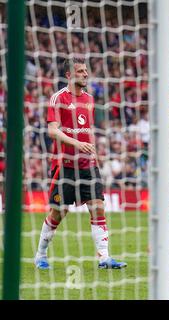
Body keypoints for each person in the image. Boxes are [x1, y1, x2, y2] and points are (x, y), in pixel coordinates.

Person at [35, 58, 126, 270]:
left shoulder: (90, 100)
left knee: (98, 207)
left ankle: (104, 257)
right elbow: (52, 130)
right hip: (65, 165)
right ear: (69, 75)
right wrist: (78, 143)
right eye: (81, 71)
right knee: (59, 212)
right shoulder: (58, 98)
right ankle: (40, 255)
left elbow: (88, 130)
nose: (86, 74)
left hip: (88, 165)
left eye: (86, 70)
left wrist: (93, 151)